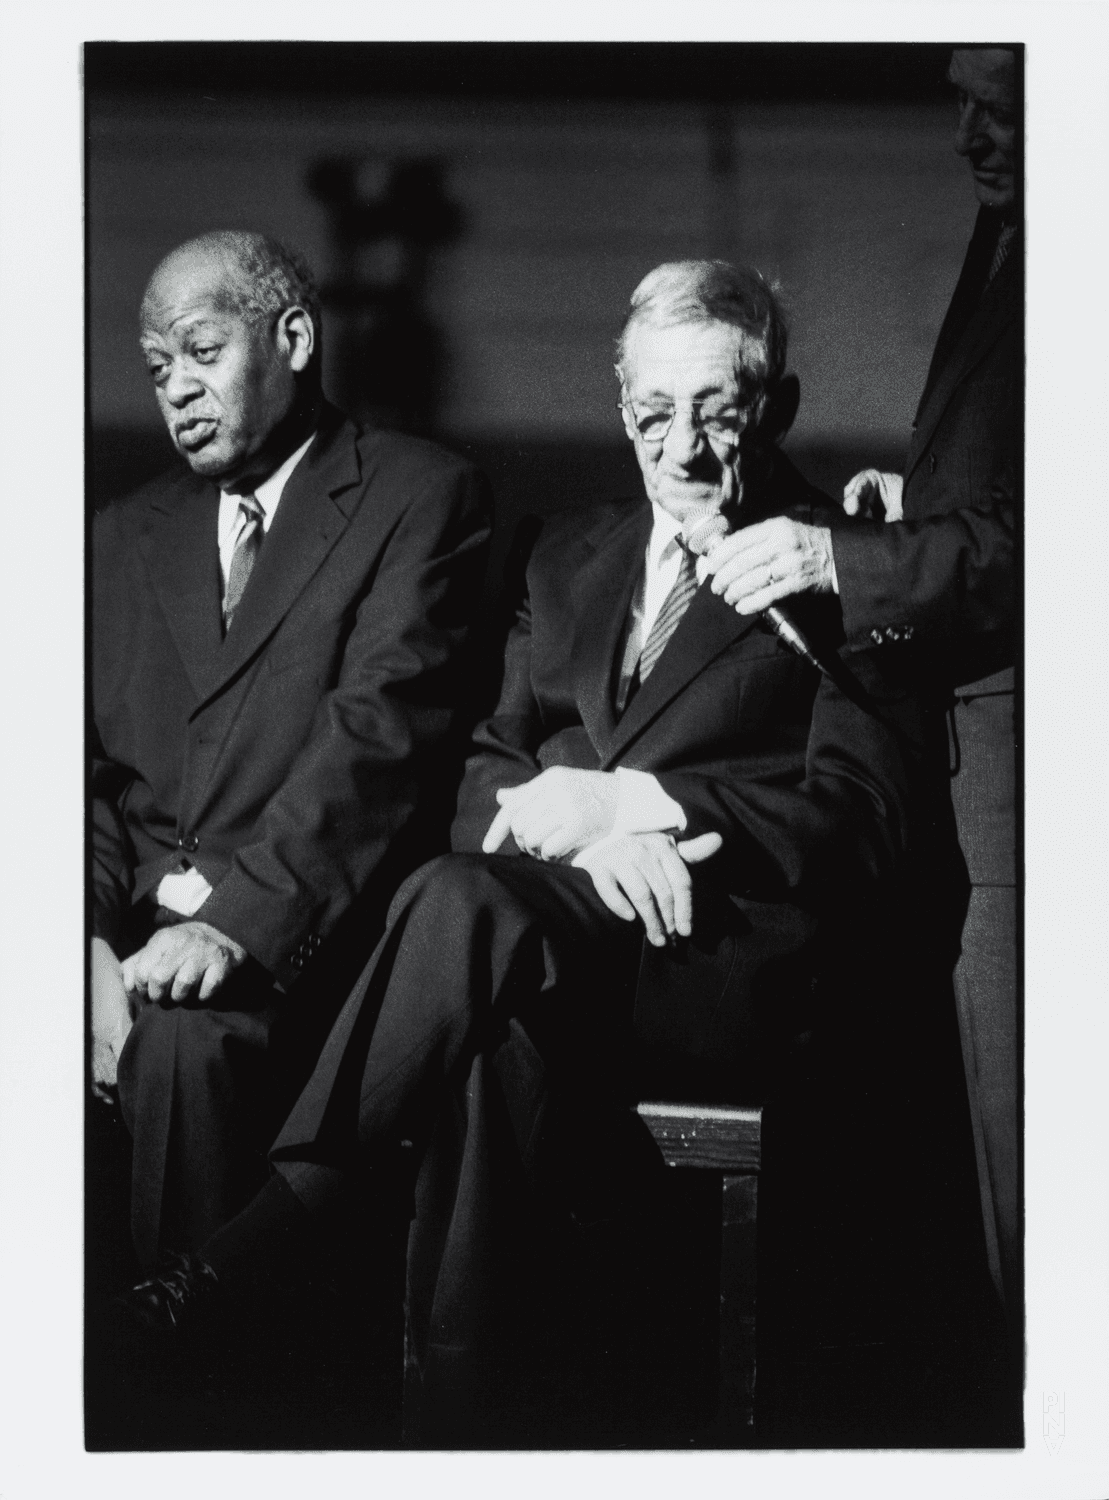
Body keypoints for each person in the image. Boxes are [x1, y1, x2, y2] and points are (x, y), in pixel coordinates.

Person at [118, 260, 934, 1441]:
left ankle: (262, 1251)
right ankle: (464, 1427)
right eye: (654, 414)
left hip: (711, 957)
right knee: (483, 1008)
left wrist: (634, 806)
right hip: (529, 944)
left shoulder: (844, 552)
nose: (686, 449)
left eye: (721, 410)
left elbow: (868, 822)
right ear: (618, 404)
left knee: (466, 910)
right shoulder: (564, 552)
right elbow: (470, 774)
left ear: (781, 405)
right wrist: (570, 822)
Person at [696, 47, 1021, 1333]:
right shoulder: (1006, 243)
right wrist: (914, 514)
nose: (963, 135)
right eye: (957, 101)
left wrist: (842, 554)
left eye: (996, 104)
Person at [92, 230, 492, 1270]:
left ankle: (181, 1389)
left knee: (182, 1044)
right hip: (123, 937)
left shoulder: (417, 494)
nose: (175, 389)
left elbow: (379, 744)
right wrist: (76, 945)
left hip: (295, 948)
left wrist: (235, 929)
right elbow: (74, 779)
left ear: (295, 338)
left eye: (200, 350)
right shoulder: (121, 535)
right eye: (155, 368)